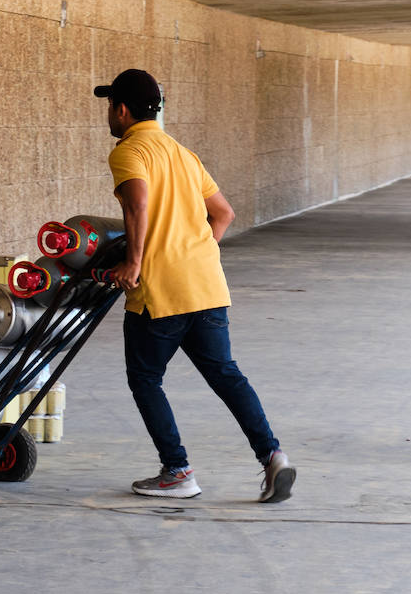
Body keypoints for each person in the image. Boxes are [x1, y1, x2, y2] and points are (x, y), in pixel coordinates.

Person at [94, 69, 295, 503]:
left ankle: (177, 470)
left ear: (123, 110)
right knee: (226, 374)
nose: (109, 115)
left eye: (110, 106)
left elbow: (137, 204)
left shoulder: (130, 151)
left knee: (145, 379)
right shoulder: (184, 154)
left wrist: (133, 261)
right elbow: (223, 214)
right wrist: (194, 251)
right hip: (206, 285)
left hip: (161, 292)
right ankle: (272, 456)